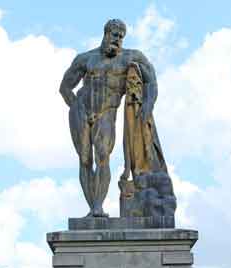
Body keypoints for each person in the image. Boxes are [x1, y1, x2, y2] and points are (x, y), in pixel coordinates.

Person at [60, 19, 158, 217]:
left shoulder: (131, 57)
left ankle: (98, 206)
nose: (118, 40)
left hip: (107, 111)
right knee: (85, 159)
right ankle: (92, 208)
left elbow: (151, 81)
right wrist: (75, 107)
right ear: (105, 34)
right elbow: (65, 87)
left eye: (121, 37)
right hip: (81, 110)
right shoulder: (86, 59)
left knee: (103, 156)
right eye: (115, 35)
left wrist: (147, 105)